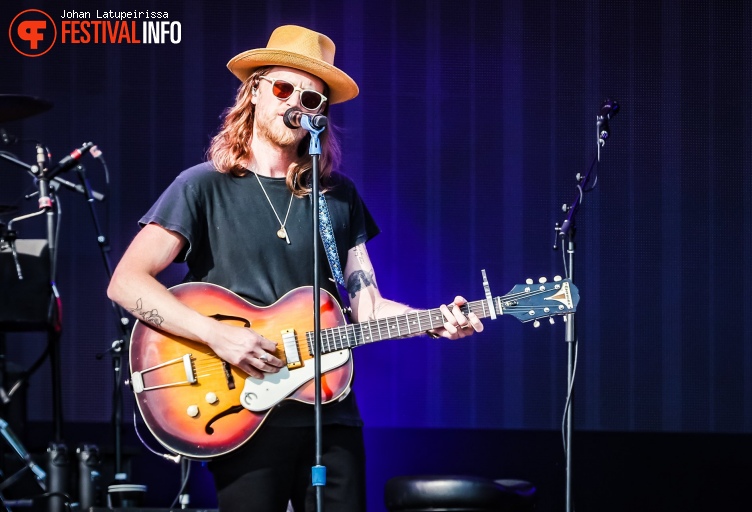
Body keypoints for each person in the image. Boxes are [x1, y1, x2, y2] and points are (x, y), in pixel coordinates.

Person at [107, 25, 483, 512]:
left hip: (330, 409)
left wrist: (434, 321)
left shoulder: (336, 197)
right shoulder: (202, 187)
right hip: (241, 405)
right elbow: (126, 281)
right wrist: (216, 335)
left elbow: (366, 307)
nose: (298, 103)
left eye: (312, 98)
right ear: (255, 92)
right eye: (284, 88)